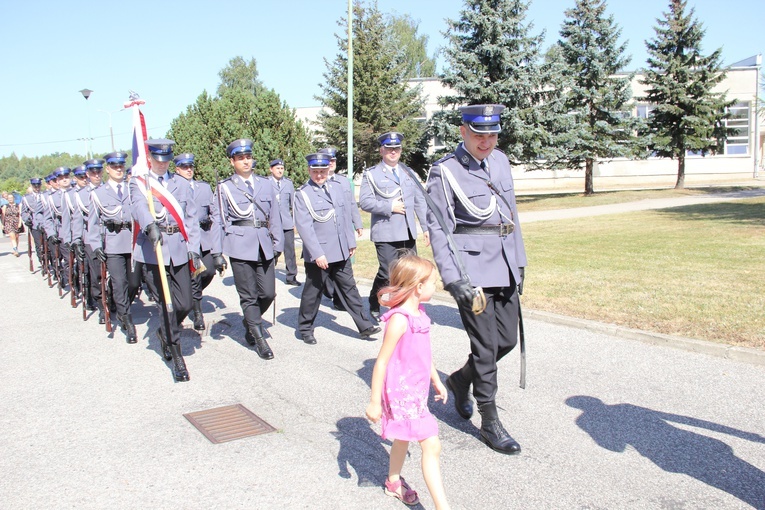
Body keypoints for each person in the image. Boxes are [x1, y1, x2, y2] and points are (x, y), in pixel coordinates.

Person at [425, 104, 527, 455]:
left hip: (504, 265)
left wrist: (520, 262)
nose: (487, 141)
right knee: (485, 349)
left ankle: (460, 379)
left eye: (493, 134)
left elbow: (510, 217)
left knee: (506, 342)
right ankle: (490, 421)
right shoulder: (445, 172)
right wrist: (453, 280)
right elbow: (439, 228)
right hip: (472, 273)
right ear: (463, 131)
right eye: (480, 134)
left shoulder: (500, 161)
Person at [365, 254, 450, 510]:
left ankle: (393, 481)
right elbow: (381, 362)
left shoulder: (420, 314)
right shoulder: (400, 320)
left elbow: (424, 354)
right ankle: (443, 507)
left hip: (417, 390)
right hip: (402, 393)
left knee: (402, 437)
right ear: (418, 287)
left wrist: (436, 379)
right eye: (433, 282)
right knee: (432, 445)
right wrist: (374, 402)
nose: (437, 286)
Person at [130, 139, 201, 382]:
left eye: (166, 160)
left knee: (184, 303)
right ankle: (175, 352)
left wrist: (194, 248)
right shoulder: (140, 182)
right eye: (158, 160)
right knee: (166, 304)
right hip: (154, 251)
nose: (162, 165)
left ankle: (164, 330)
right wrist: (150, 225)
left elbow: (190, 218)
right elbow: (138, 206)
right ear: (150, 158)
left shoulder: (180, 183)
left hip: (179, 249)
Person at [293, 152, 380, 345]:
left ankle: (364, 325)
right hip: (320, 255)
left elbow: (344, 216)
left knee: (350, 289)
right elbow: (305, 228)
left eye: (322, 171)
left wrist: (350, 242)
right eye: (315, 172)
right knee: (313, 292)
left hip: (340, 250)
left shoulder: (337, 188)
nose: (319, 175)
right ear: (309, 170)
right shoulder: (302, 194)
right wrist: (317, 254)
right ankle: (305, 328)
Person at [218, 139, 283, 360]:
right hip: (239, 244)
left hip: (263, 242)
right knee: (248, 295)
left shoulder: (265, 183)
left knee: (268, 293)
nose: (245, 161)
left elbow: (274, 216)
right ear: (232, 161)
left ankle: (249, 322)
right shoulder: (225, 187)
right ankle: (258, 337)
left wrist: (278, 243)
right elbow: (220, 220)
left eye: (248, 157)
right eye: (240, 158)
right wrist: (218, 252)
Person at [359, 132, 428, 321]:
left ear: (401, 150)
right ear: (381, 150)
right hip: (385, 232)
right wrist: (390, 206)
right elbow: (365, 202)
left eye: (396, 148)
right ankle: (374, 301)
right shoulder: (371, 174)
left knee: (409, 272)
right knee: (386, 272)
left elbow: (419, 201)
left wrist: (426, 227)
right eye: (389, 148)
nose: (393, 152)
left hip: (407, 231)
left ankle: (404, 307)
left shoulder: (408, 172)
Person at [87, 152, 140, 343]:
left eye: (121, 166)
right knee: (120, 283)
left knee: (134, 283)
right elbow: (92, 224)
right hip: (113, 244)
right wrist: (95, 245)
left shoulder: (133, 189)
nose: (119, 169)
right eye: (114, 166)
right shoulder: (98, 194)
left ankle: (121, 303)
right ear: (107, 169)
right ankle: (126, 319)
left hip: (133, 243)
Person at [173, 152, 226, 331]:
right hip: (185, 240)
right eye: (185, 167)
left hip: (204, 236)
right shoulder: (173, 188)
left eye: (191, 167)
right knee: (195, 276)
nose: (189, 170)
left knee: (208, 271)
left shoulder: (203, 188)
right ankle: (197, 313)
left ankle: (191, 295)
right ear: (177, 169)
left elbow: (214, 211)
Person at [318, 147, 363, 311]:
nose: (331, 163)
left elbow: (351, 204)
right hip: (326, 231)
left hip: (343, 230)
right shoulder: (320, 180)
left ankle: (339, 299)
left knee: (342, 267)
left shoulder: (343, 181)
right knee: (328, 268)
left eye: (333, 160)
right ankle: (326, 289)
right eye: (328, 160)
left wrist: (357, 223)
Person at [268, 158, 300, 286]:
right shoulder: (266, 183)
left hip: (287, 223)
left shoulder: (288, 183)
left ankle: (291, 276)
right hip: (272, 224)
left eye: (282, 168)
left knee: (290, 251)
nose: (280, 171)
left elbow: (293, 203)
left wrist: (295, 222)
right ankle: (268, 274)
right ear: (271, 169)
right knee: (272, 250)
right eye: (277, 168)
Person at [21, 177, 46, 268]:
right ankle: (42, 262)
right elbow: (23, 212)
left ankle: (50, 261)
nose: (37, 187)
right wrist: (26, 219)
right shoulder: (26, 198)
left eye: (38, 185)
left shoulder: (45, 195)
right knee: (39, 245)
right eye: (35, 186)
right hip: (35, 224)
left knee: (49, 245)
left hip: (46, 223)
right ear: (32, 186)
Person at [1, 191, 22, 256]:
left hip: (16, 222)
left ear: (14, 198)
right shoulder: (5, 206)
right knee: (12, 236)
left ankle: (15, 248)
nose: (10, 199)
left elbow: (20, 214)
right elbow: (3, 215)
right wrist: (2, 224)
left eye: (11, 198)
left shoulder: (18, 205)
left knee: (16, 237)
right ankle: (16, 250)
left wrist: (20, 222)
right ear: (7, 199)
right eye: (9, 198)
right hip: (8, 222)